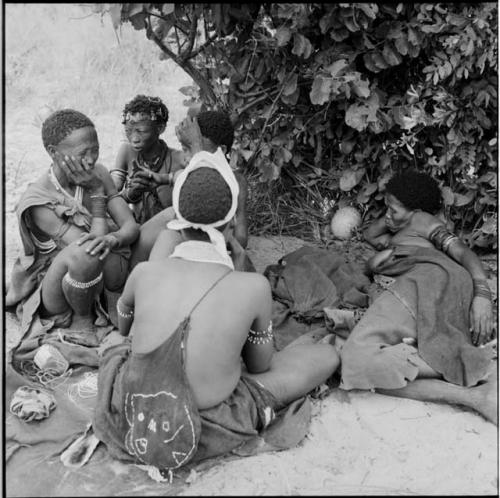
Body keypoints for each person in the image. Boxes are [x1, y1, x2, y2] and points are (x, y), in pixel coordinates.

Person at [93, 149, 339, 474]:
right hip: (209, 421)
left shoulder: (144, 274)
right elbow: (260, 365)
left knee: (117, 349)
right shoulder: (252, 286)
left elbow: (124, 329)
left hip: (136, 407)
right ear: (228, 222)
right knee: (326, 357)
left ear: (176, 218)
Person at [340, 169, 497, 423]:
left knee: (354, 360)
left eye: (393, 209)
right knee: (366, 371)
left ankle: (472, 380)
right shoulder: (403, 228)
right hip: (420, 287)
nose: (387, 215)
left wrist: (482, 295)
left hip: (427, 281)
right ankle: (469, 384)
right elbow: (370, 234)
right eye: (386, 208)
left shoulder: (422, 221)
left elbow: (462, 253)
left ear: (418, 210)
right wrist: (393, 215)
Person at [6, 109, 140, 340]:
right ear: (53, 153)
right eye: (83, 153)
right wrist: (97, 194)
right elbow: (90, 248)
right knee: (85, 253)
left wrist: (114, 238)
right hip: (62, 293)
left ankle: (131, 300)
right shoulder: (37, 200)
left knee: (164, 223)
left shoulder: (98, 172)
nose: (91, 159)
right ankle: (82, 321)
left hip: (108, 272)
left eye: (95, 150)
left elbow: (131, 226)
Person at [129, 110, 252, 269]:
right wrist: (162, 179)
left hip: (213, 257)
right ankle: (132, 272)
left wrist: (196, 150)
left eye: (191, 149)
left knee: (170, 219)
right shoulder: (188, 174)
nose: (186, 158)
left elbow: (241, 239)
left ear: (221, 150)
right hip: (181, 255)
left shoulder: (235, 181)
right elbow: (179, 176)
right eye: (184, 149)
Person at [110, 95, 186, 224]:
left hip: (168, 229)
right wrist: (129, 194)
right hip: (136, 228)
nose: (134, 138)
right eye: (128, 131)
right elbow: (109, 195)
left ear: (160, 128)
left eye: (142, 131)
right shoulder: (127, 151)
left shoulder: (179, 159)